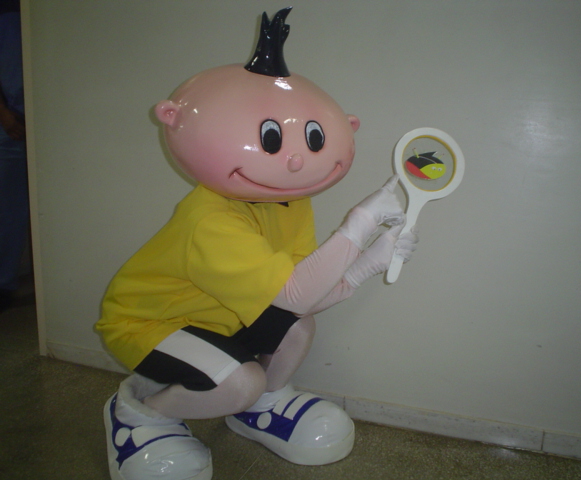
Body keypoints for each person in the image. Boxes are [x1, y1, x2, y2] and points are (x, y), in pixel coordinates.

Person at [96, 8, 418, 480]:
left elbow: (300, 297)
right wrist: (359, 225)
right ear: (172, 119)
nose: (295, 160)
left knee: (296, 327)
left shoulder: (291, 203)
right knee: (241, 380)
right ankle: (140, 412)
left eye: (312, 139)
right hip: (148, 324)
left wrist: (367, 263)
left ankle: (257, 406)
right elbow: (293, 292)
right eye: (272, 138)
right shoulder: (209, 218)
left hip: (221, 317)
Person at [0, 0, 29, 313]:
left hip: (31, 118)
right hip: (11, 123)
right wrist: (5, 116)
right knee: (10, 210)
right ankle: (4, 283)